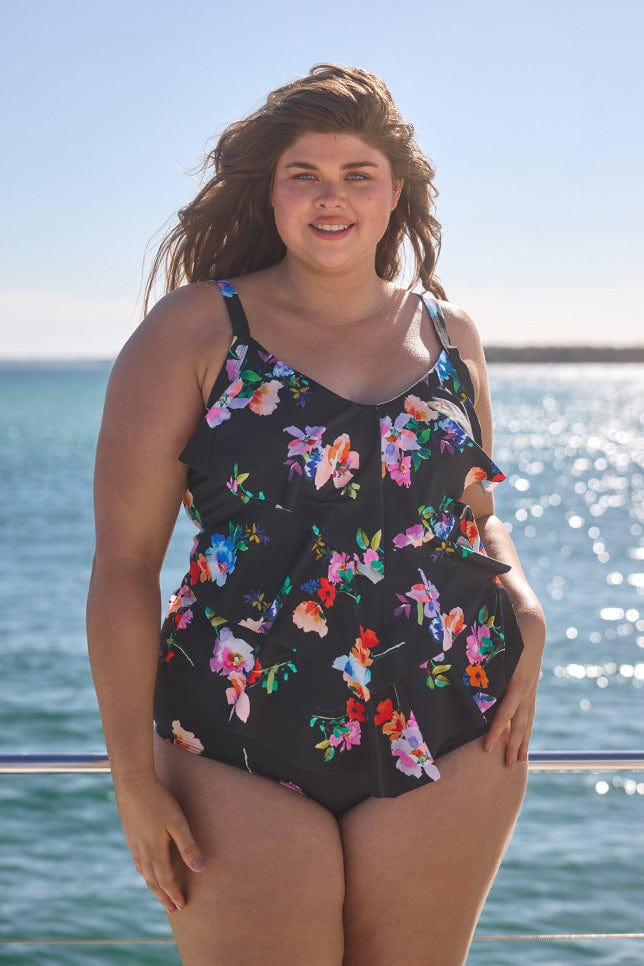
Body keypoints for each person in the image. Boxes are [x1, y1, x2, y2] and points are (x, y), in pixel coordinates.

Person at [87, 63, 546, 966]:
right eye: (305, 174)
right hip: (235, 737)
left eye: (356, 174)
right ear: (272, 193)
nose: (329, 198)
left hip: (451, 726)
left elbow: (472, 513)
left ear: (394, 194)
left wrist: (526, 605)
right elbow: (125, 565)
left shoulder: (454, 337)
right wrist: (133, 781)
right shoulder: (194, 330)